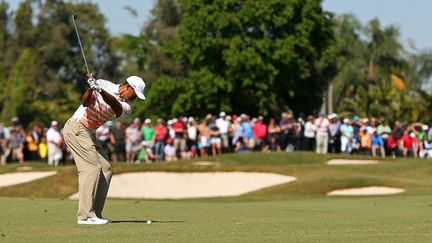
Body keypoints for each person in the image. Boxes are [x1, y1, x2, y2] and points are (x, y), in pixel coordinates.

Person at [62, 73, 145, 225]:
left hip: (89, 133)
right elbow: (85, 102)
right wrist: (91, 88)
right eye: (134, 95)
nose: (134, 99)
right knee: (92, 168)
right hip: (76, 128)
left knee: (106, 168)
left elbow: (115, 106)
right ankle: (85, 216)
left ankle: (96, 213)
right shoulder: (103, 84)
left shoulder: (126, 107)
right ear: (127, 87)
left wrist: (100, 90)